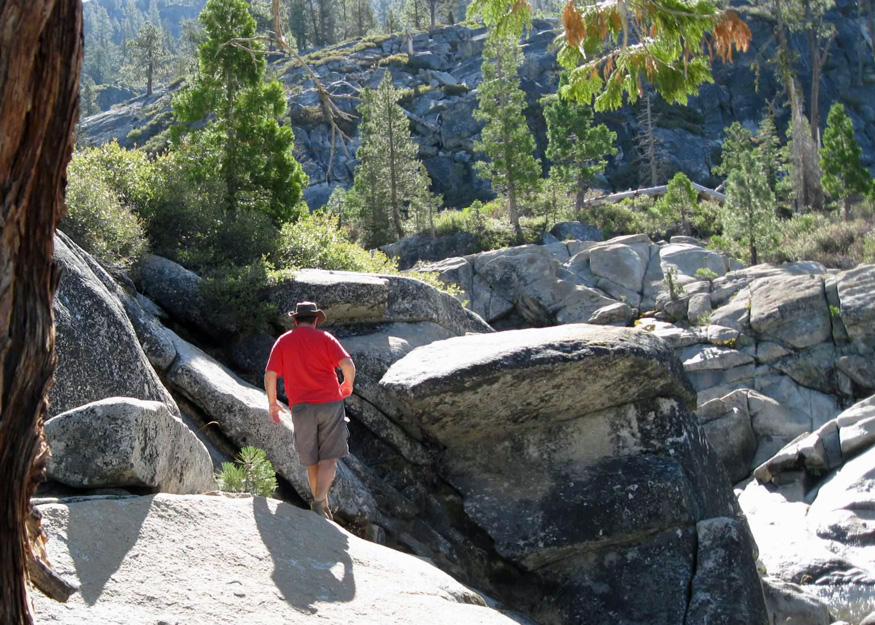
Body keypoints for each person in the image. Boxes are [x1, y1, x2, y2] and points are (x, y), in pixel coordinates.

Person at [264, 301, 355, 520]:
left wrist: (273, 403)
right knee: (329, 459)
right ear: (315, 320)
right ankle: (319, 503)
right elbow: (347, 364)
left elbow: (270, 374)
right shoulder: (325, 338)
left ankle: (321, 508)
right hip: (330, 404)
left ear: (296, 321)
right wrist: (347, 384)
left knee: (312, 461)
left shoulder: (283, 341)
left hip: (301, 408)